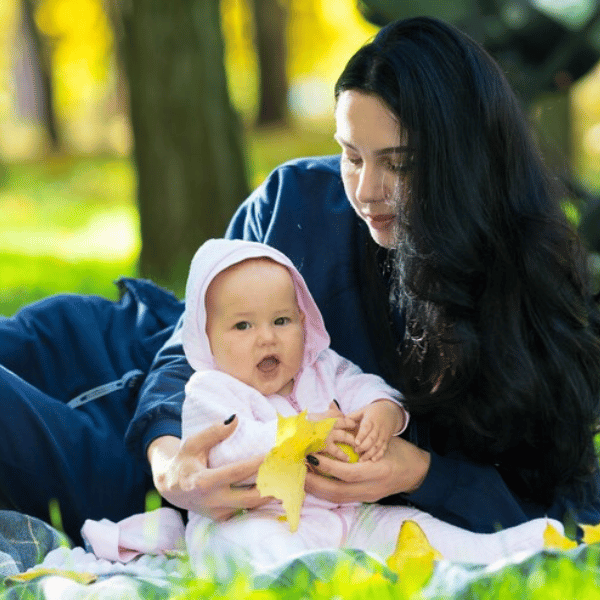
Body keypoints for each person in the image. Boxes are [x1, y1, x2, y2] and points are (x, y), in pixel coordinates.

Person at [0, 15, 598, 550]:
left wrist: (420, 473)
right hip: (113, 384)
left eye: (401, 163)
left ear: (467, 161)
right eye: (351, 155)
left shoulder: (528, 299)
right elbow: (184, 349)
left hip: (156, 487)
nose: (365, 191)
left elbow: (573, 514)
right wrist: (168, 461)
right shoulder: (296, 201)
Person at [180, 238, 554, 571]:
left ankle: (495, 552)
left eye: (281, 320)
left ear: (303, 322)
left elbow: (361, 385)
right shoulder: (210, 390)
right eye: (243, 326)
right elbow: (227, 451)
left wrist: (383, 412)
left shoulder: (320, 367)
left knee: (405, 525)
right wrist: (301, 435)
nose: (267, 338)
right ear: (205, 336)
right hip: (256, 518)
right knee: (241, 546)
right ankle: (299, 575)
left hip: (348, 518)